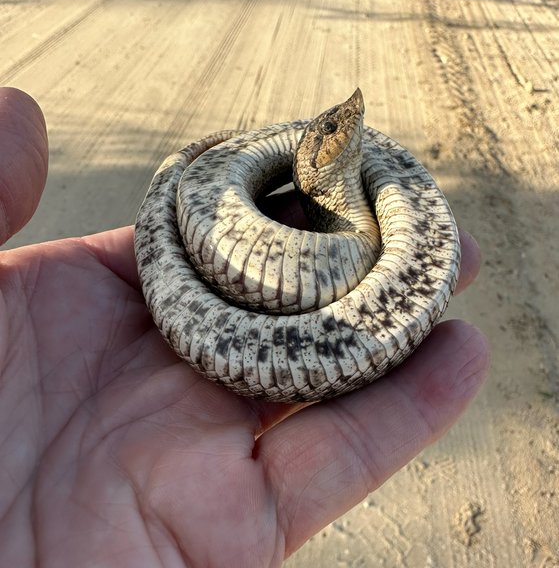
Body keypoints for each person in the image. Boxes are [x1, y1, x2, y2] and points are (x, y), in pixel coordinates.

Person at [0, 87, 489, 567]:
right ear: (312, 163)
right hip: (265, 316)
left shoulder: (357, 182)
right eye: (331, 128)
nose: (348, 115)